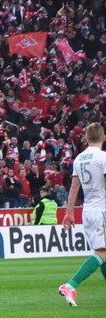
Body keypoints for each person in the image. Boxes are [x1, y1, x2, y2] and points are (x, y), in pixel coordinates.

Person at [59, 123, 106, 306]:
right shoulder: (102, 157)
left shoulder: (79, 159)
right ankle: (70, 285)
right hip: (101, 210)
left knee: (102, 253)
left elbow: (74, 187)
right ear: (103, 138)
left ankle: (71, 285)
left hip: (87, 211)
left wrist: (69, 213)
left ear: (86, 138)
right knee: (102, 254)